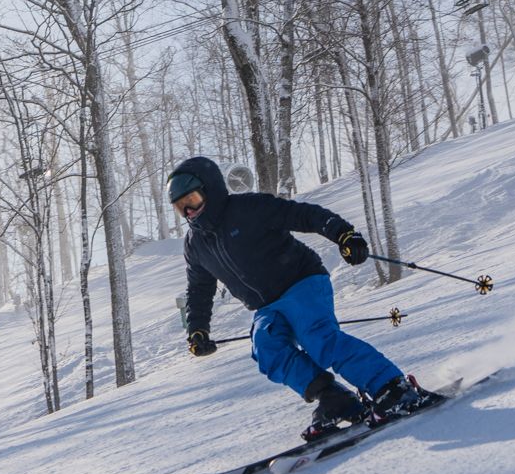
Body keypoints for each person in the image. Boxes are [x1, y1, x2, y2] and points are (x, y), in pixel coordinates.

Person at [168, 155, 438, 440]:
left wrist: (344, 234)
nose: (188, 212)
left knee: (318, 338)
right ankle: (334, 398)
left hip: (301, 281)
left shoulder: (248, 208)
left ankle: (392, 388)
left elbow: (303, 215)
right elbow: (199, 289)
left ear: (211, 189)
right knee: (266, 348)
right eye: (180, 207)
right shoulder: (195, 244)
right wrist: (198, 329)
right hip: (265, 306)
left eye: (192, 200)